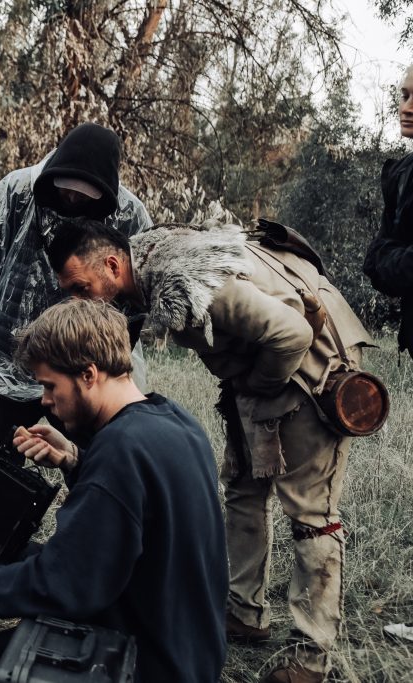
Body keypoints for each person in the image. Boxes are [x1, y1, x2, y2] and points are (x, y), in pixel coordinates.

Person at [45, 218, 373, 683]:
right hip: (263, 369)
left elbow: (293, 334)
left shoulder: (194, 283)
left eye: (81, 287)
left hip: (310, 368)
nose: (79, 299)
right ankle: (244, 610)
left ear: (114, 264)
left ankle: (312, 656)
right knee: (242, 487)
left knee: (311, 513)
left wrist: (257, 389)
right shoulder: (143, 271)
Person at [0, 299, 228, 683]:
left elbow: (66, 585)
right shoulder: (174, 420)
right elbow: (136, 518)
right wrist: (75, 461)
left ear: (88, 374)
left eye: (50, 386)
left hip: (143, 663)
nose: (46, 401)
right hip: (190, 652)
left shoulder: (119, 453)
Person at [0, 122, 152, 460]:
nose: (73, 198)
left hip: (82, 357)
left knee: (90, 456)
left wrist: (112, 366)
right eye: (67, 189)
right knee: (2, 456)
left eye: (84, 193)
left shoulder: (128, 214)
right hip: (7, 349)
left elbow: (135, 298)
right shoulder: (19, 191)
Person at [364, 64, 413, 359]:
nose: (406, 108)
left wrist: (395, 258)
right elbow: (374, 261)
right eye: (404, 95)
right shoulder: (402, 173)